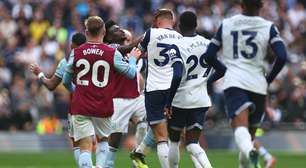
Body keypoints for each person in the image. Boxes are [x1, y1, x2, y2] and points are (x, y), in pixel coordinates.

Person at [203, 0, 287, 168]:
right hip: (258, 84)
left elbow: (209, 55)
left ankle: (250, 152)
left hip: (235, 81)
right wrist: (268, 79)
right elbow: (282, 56)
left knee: (240, 130)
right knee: (249, 136)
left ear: (241, 5)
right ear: (261, 6)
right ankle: (251, 153)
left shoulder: (227, 24)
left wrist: (224, 70)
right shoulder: (268, 26)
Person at [62, 16, 141, 168]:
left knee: (85, 146)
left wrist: (75, 90)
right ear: (104, 31)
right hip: (103, 104)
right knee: (103, 140)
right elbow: (131, 74)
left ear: (86, 32)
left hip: (81, 105)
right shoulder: (111, 52)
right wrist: (132, 59)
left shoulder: (76, 52)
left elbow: (66, 80)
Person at [168, 11, 217, 168]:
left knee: (174, 141)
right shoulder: (208, 44)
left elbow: (176, 76)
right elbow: (222, 69)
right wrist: (206, 81)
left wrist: (168, 101)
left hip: (181, 100)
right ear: (196, 25)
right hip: (201, 99)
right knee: (192, 143)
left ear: (179, 26)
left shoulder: (176, 46)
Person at [29, 32, 86, 165]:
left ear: (72, 45)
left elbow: (51, 85)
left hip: (79, 106)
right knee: (104, 141)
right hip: (100, 104)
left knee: (79, 144)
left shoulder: (66, 61)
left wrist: (40, 73)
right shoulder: (99, 57)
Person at [137, 8, 184, 168]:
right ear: (173, 21)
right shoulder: (180, 37)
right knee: (174, 137)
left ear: (158, 21)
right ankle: (139, 152)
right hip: (175, 90)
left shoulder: (150, 33)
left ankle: (141, 153)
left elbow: (137, 53)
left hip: (155, 89)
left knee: (161, 137)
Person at [102, 20, 147, 168]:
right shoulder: (110, 48)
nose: (120, 30)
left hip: (136, 97)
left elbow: (137, 51)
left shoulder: (127, 50)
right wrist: (150, 33)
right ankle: (107, 165)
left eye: (120, 28)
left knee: (149, 122)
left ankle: (138, 155)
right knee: (115, 138)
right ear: (108, 36)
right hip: (118, 99)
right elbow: (131, 47)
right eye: (116, 29)